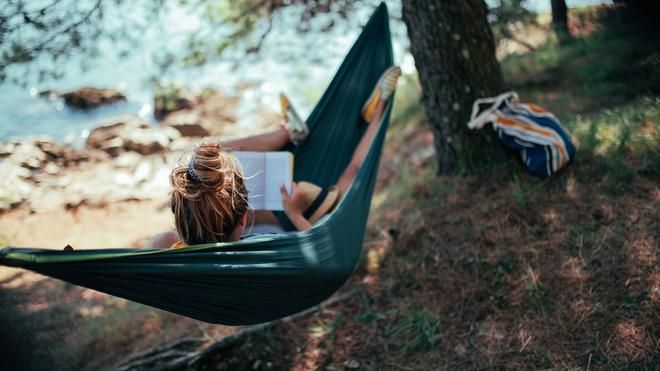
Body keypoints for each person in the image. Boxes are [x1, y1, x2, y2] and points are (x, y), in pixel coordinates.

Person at [147, 66, 401, 248]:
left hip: (233, 223)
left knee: (211, 158)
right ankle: (375, 113)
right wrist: (295, 214)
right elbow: (324, 251)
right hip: (295, 216)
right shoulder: (267, 247)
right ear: (244, 218)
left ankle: (286, 133)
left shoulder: (173, 246)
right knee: (352, 172)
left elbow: (168, 241)